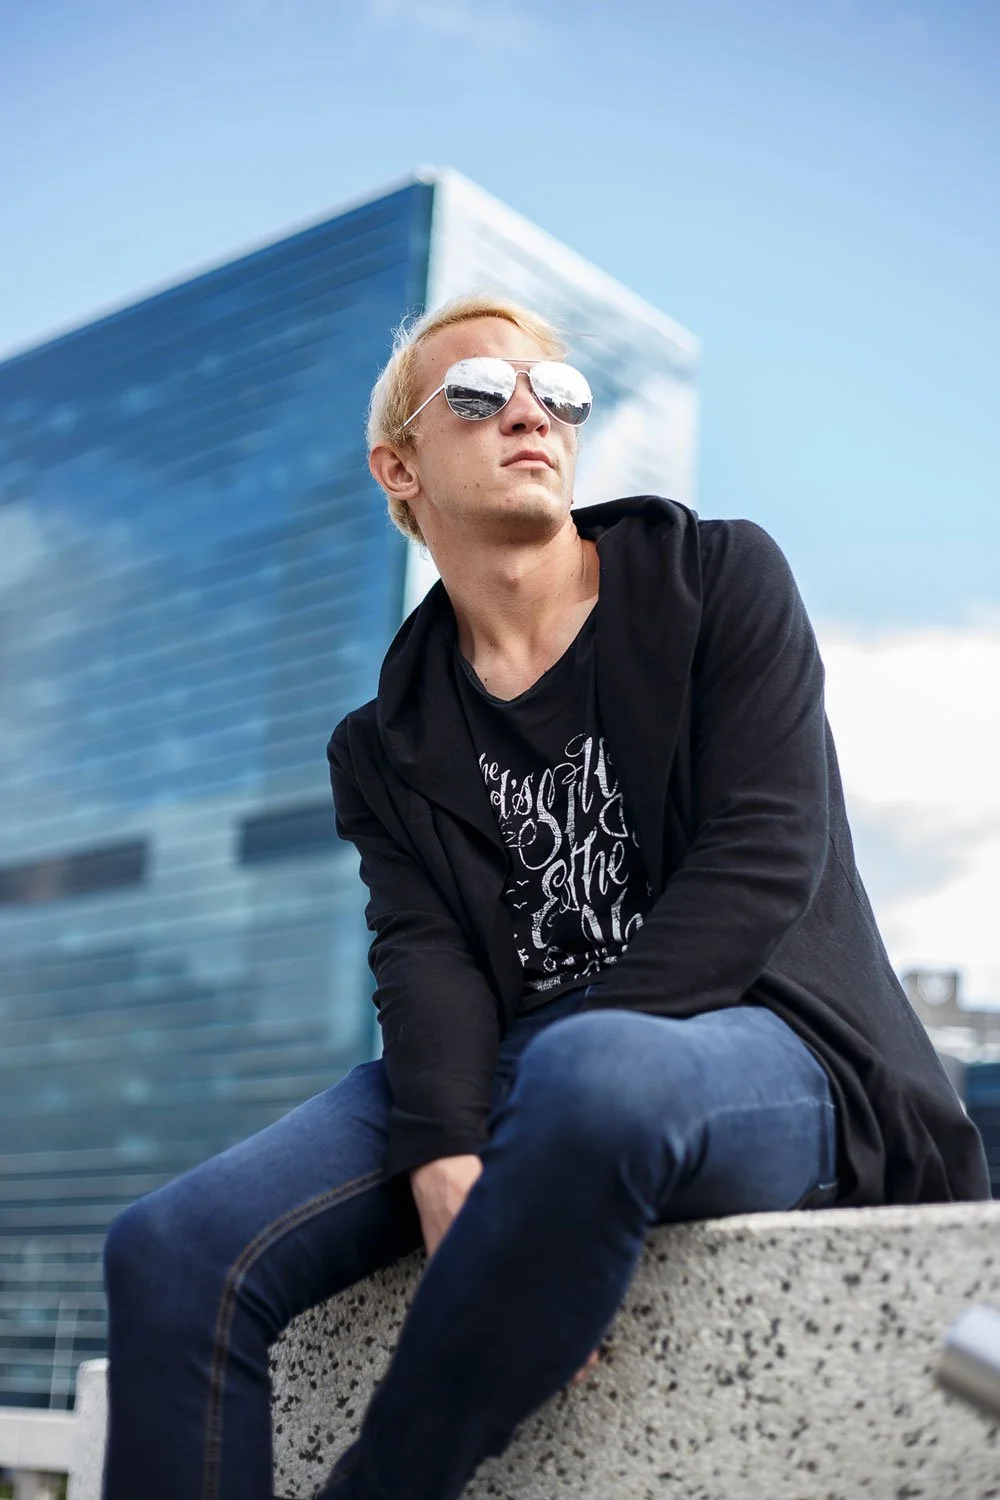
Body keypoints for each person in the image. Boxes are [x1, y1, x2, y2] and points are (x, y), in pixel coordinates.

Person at [101, 293, 990, 1500]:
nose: (529, 412)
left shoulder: (716, 576)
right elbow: (425, 962)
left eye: (556, 395)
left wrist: (508, 1134)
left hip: (776, 1059)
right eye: (476, 393)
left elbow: (763, 862)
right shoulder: (382, 743)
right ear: (398, 467)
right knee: (168, 1251)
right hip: (529, 1078)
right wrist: (440, 1148)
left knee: (595, 1074)